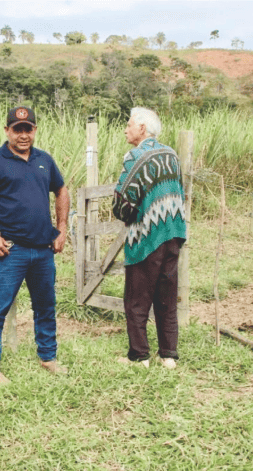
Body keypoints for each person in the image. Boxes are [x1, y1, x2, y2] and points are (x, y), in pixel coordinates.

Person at [0, 106, 70, 385]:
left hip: (44, 249)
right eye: (17, 129)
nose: (23, 135)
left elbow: (61, 190)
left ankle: (48, 356)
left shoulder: (44, 160)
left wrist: (62, 229)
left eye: (28, 129)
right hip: (10, 250)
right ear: (7, 131)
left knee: (45, 306)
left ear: (34, 130)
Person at [112, 107, 187, 369]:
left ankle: (139, 355)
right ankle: (168, 355)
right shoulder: (171, 154)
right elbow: (180, 192)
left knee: (137, 297)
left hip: (147, 235)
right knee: (166, 296)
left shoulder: (136, 156)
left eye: (129, 124)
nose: (126, 129)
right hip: (173, 232)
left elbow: (123, 201)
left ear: (142, 128)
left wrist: (126, 215)